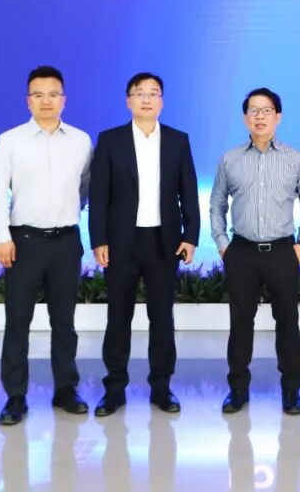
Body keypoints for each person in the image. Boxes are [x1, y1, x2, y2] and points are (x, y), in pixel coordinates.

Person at [88, 72, 200, 416]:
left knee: (162, 318)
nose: (147, 99)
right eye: (139, 93)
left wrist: (190, 235)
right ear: (128, 101)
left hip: (164, 243)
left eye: (153, 93)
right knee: (118, 317)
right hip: (121, 242)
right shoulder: (111, 140)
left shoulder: (178, 141)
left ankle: (161, 388)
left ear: (162, 101)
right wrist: (99, 239)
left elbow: (188, 192)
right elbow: (99, 195)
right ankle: (114, 389)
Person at [0, 65, 93, 425]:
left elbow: (84, 189)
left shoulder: (81, 141)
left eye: (53, 94)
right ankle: (15, 396)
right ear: (28, 100)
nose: (46, 101)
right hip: (24, 242)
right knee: (18, 322)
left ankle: (66, 389)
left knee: (64, 322)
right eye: (38, 95)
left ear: (64, 99)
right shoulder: (10, 141)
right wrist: (3, 237)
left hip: (66, 242)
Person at [211, 88, 300, 416]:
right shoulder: (230, 159)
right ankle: (237, 390)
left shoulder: (294, 159)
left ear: (278, 117)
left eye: (267, 110)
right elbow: (217, 204)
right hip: (241, 252)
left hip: (282, 251)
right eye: (254, 110)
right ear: (245, 117)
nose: (260, 116)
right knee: (240, 324)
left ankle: (291, 392)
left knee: (287, 323)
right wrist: (223, 244)